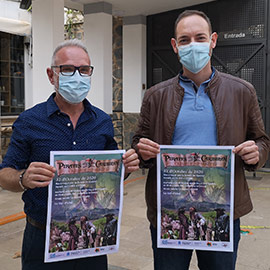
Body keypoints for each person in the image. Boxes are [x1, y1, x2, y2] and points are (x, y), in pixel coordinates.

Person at [132, 9, 269, 270]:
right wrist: (142, 150)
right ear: (175, 46)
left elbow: (262, 140)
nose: (192, 45)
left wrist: (257, 153)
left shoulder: (242, 91)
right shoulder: (155, 95)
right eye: (184, 40)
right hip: (171, 211)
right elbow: (139, 141)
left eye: (200, 37)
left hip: (222, 210)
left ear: (213, 40)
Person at [0, 39, 139, 270]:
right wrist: (23, 178)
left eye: (84, 69)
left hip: (91, 236)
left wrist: (125, 167)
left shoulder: (103, 121)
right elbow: (5, 173)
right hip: (41, 236)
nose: (77, 76)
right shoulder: (29, 121)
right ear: (51, 75)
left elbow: (112, 174)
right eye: (67, 69)